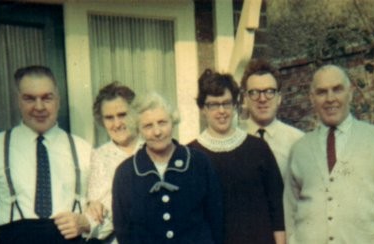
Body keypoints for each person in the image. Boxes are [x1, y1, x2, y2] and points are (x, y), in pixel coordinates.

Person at [284, 64, 374, 244]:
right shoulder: (300, 149)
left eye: (337, 89)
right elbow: (289, 212)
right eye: (321, 92)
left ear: (350, 93)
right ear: (312, 98)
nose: (330, 98)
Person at [0, 65, 92, 243]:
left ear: (58, 100)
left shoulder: (84, 149)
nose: (39, 107)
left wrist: (86, 223)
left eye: (47, 98)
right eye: (29, 98)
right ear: (18, 101)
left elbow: (102, 211)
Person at [189, 69, 286, 244]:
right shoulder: (190, 155)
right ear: (203, 108)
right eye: (213, 104)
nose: (221, 111)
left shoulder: (257, 148)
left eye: (226, 103)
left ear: (235, 105)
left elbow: (277, 207)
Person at [112, 91, 223, 244]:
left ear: (173, 122)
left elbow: (216, 219)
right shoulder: (126, 173)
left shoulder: (198, 163)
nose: (157, 132)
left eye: (162, 122)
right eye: (148, 126)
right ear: (138, 130)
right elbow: (123, 232)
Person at [85, 82, 143, 243]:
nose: (117, 124)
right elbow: (98, 215)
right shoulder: (99, 157)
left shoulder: (152, 147)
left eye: (122, 114)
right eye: (109, 118)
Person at [240, 59, 304, 179]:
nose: (262, 99)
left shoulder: (298, 141)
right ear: (245, 99)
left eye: (270, 91)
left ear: (279, 98)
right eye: (254, 92)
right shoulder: (233, 137)